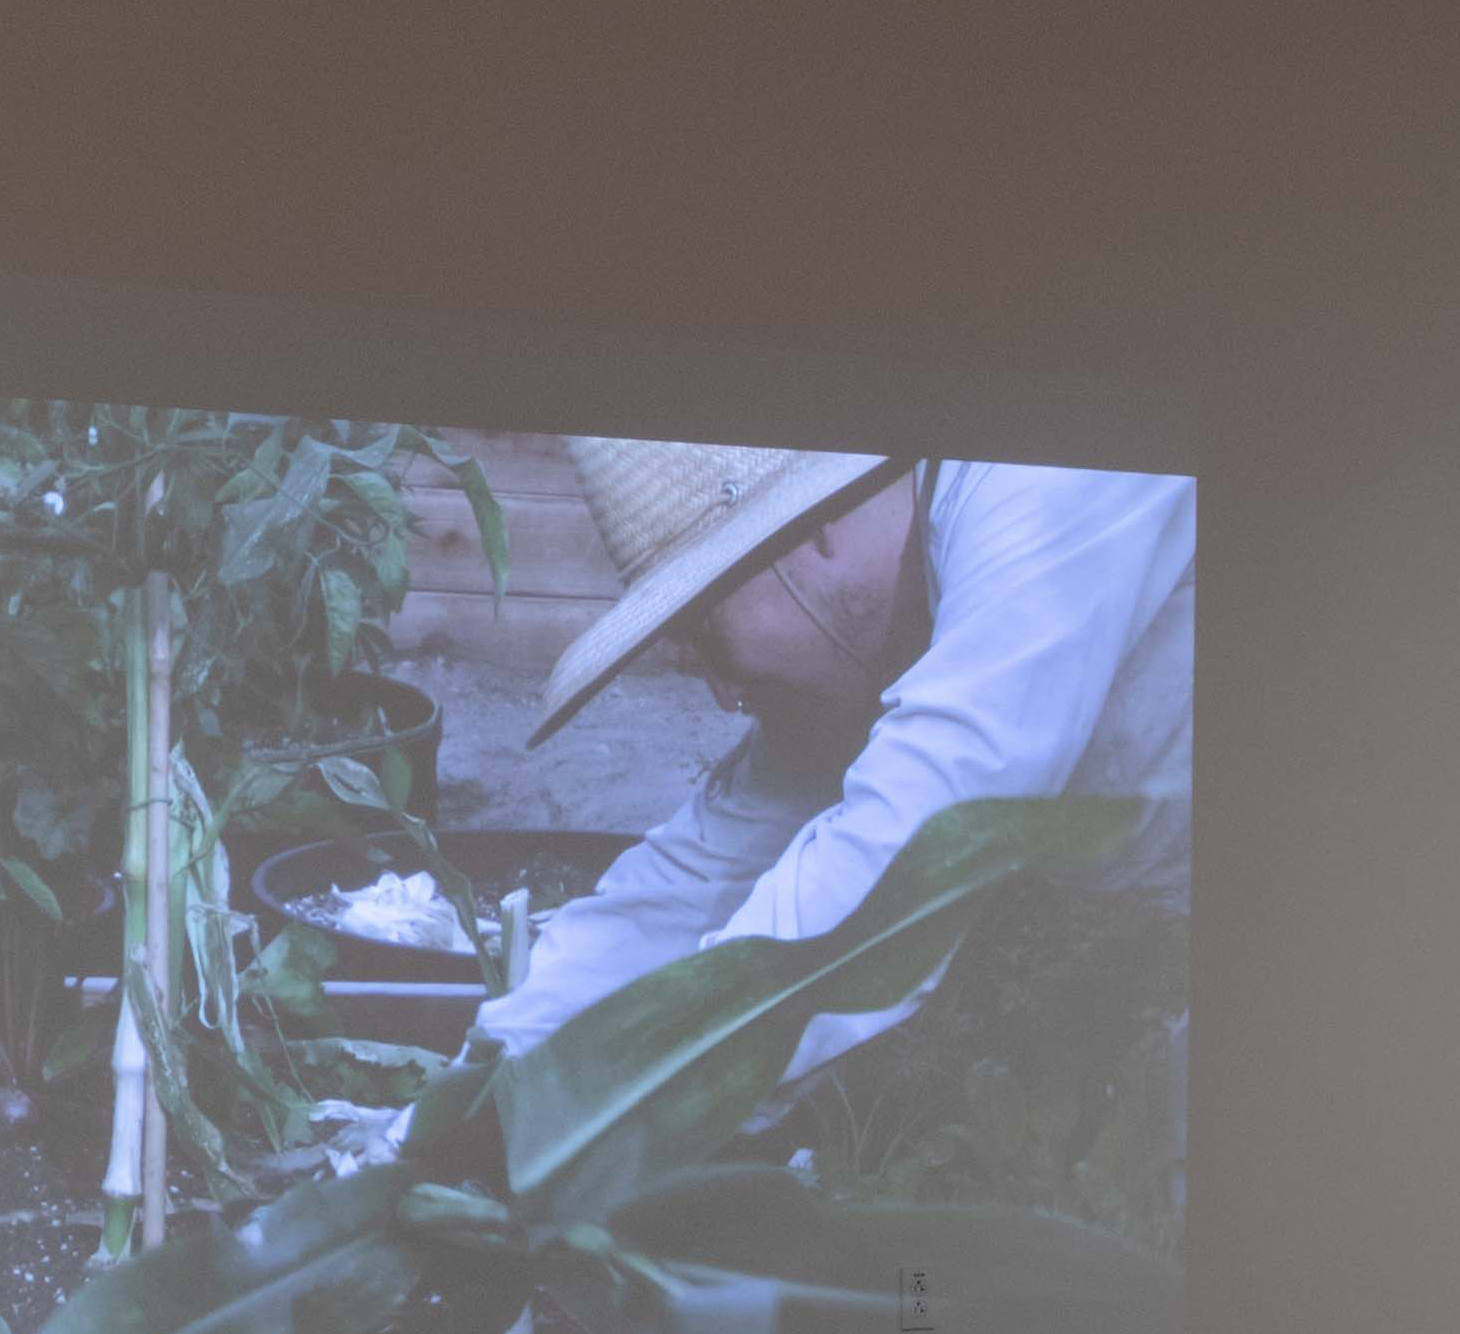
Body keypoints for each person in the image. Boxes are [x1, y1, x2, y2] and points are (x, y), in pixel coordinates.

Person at [466, 442, 1197, 1060]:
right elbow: (699, 874)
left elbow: (903, 856)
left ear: (809, 535)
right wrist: (487, 1073)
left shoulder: (1047, 481)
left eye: (706, 635)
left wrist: (583, 1114)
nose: (725, 693)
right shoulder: (865, 643)